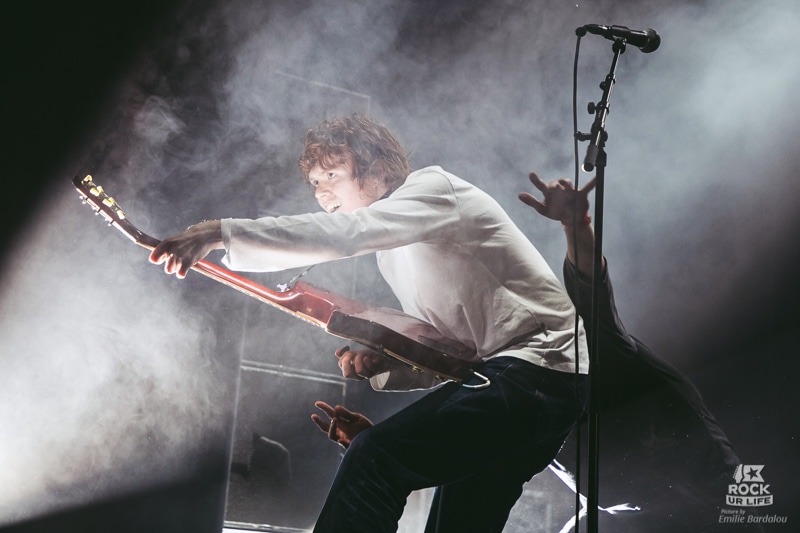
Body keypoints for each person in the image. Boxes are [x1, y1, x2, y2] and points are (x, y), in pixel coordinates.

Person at [149, 114, 590, 533]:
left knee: (375, 458)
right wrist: (386, 362)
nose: (321, 193)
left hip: (537, 370)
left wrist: (218, 232)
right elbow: (457, 351)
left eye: (332, 174)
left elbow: (349, 233)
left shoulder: (433, 188)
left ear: (378, 172)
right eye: (314, 182)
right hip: (537, 384)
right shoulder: (393, 254)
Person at [519, 172, 757, 532]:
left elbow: (591, 288)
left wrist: (575, 226)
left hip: (707, 508)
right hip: (621, 515)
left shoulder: (596, 349)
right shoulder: (516, 389)